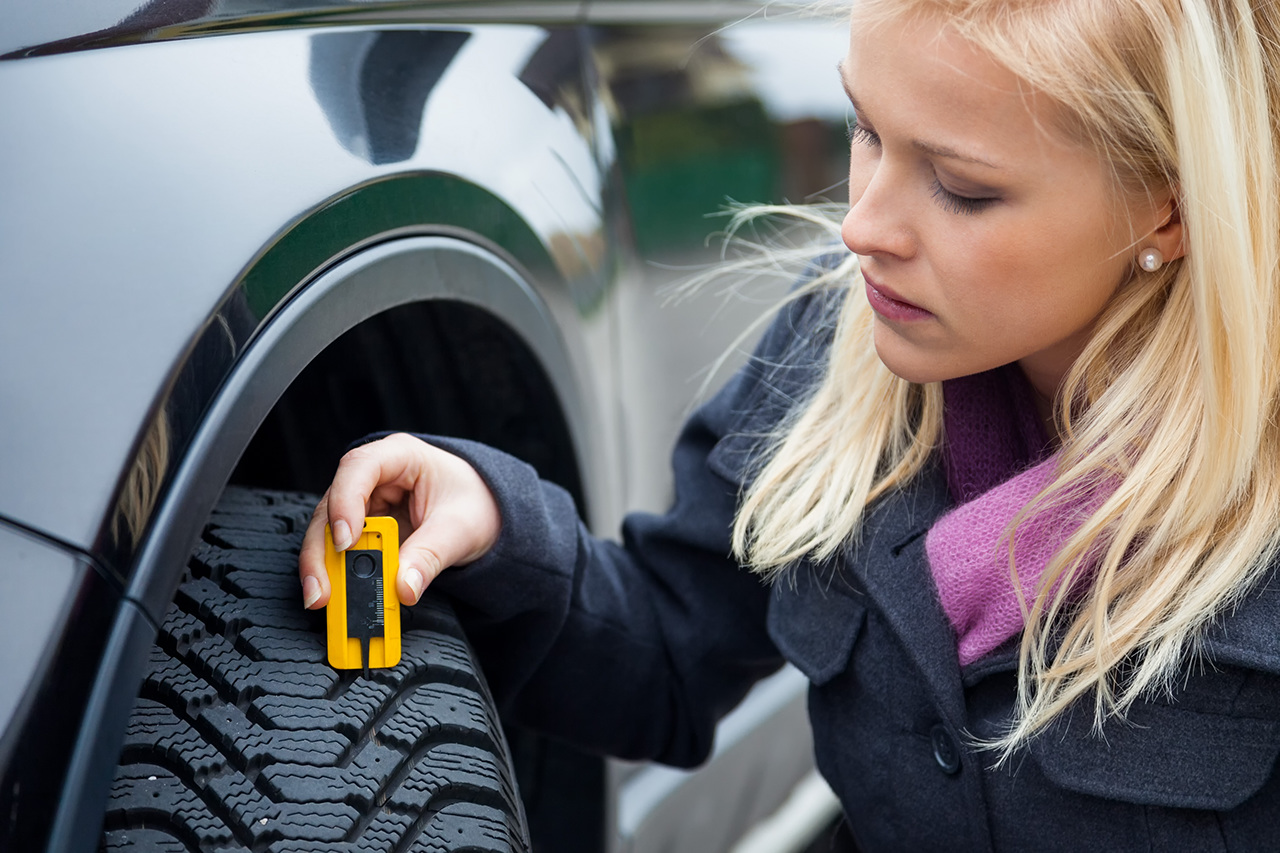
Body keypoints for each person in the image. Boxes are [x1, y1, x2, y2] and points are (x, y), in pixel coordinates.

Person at [298, 0, 1280, 848]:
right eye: (865, 130)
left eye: (961, 188)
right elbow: (668, 650)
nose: (861, 226)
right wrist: (497, 525)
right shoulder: (832, 346)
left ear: (1166, 208)